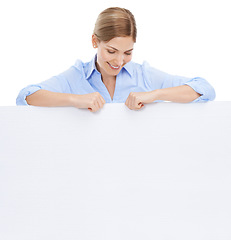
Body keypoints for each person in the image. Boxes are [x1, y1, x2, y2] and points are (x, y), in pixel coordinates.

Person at [16, 7, 215, 112]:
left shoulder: (142, 75)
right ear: (95, 41)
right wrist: (75, 100)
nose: (119, 61)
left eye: (128, 53)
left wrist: (154, 95)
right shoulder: (76, 76)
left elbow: (204, 88)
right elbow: (26, 96)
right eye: (111, 51)